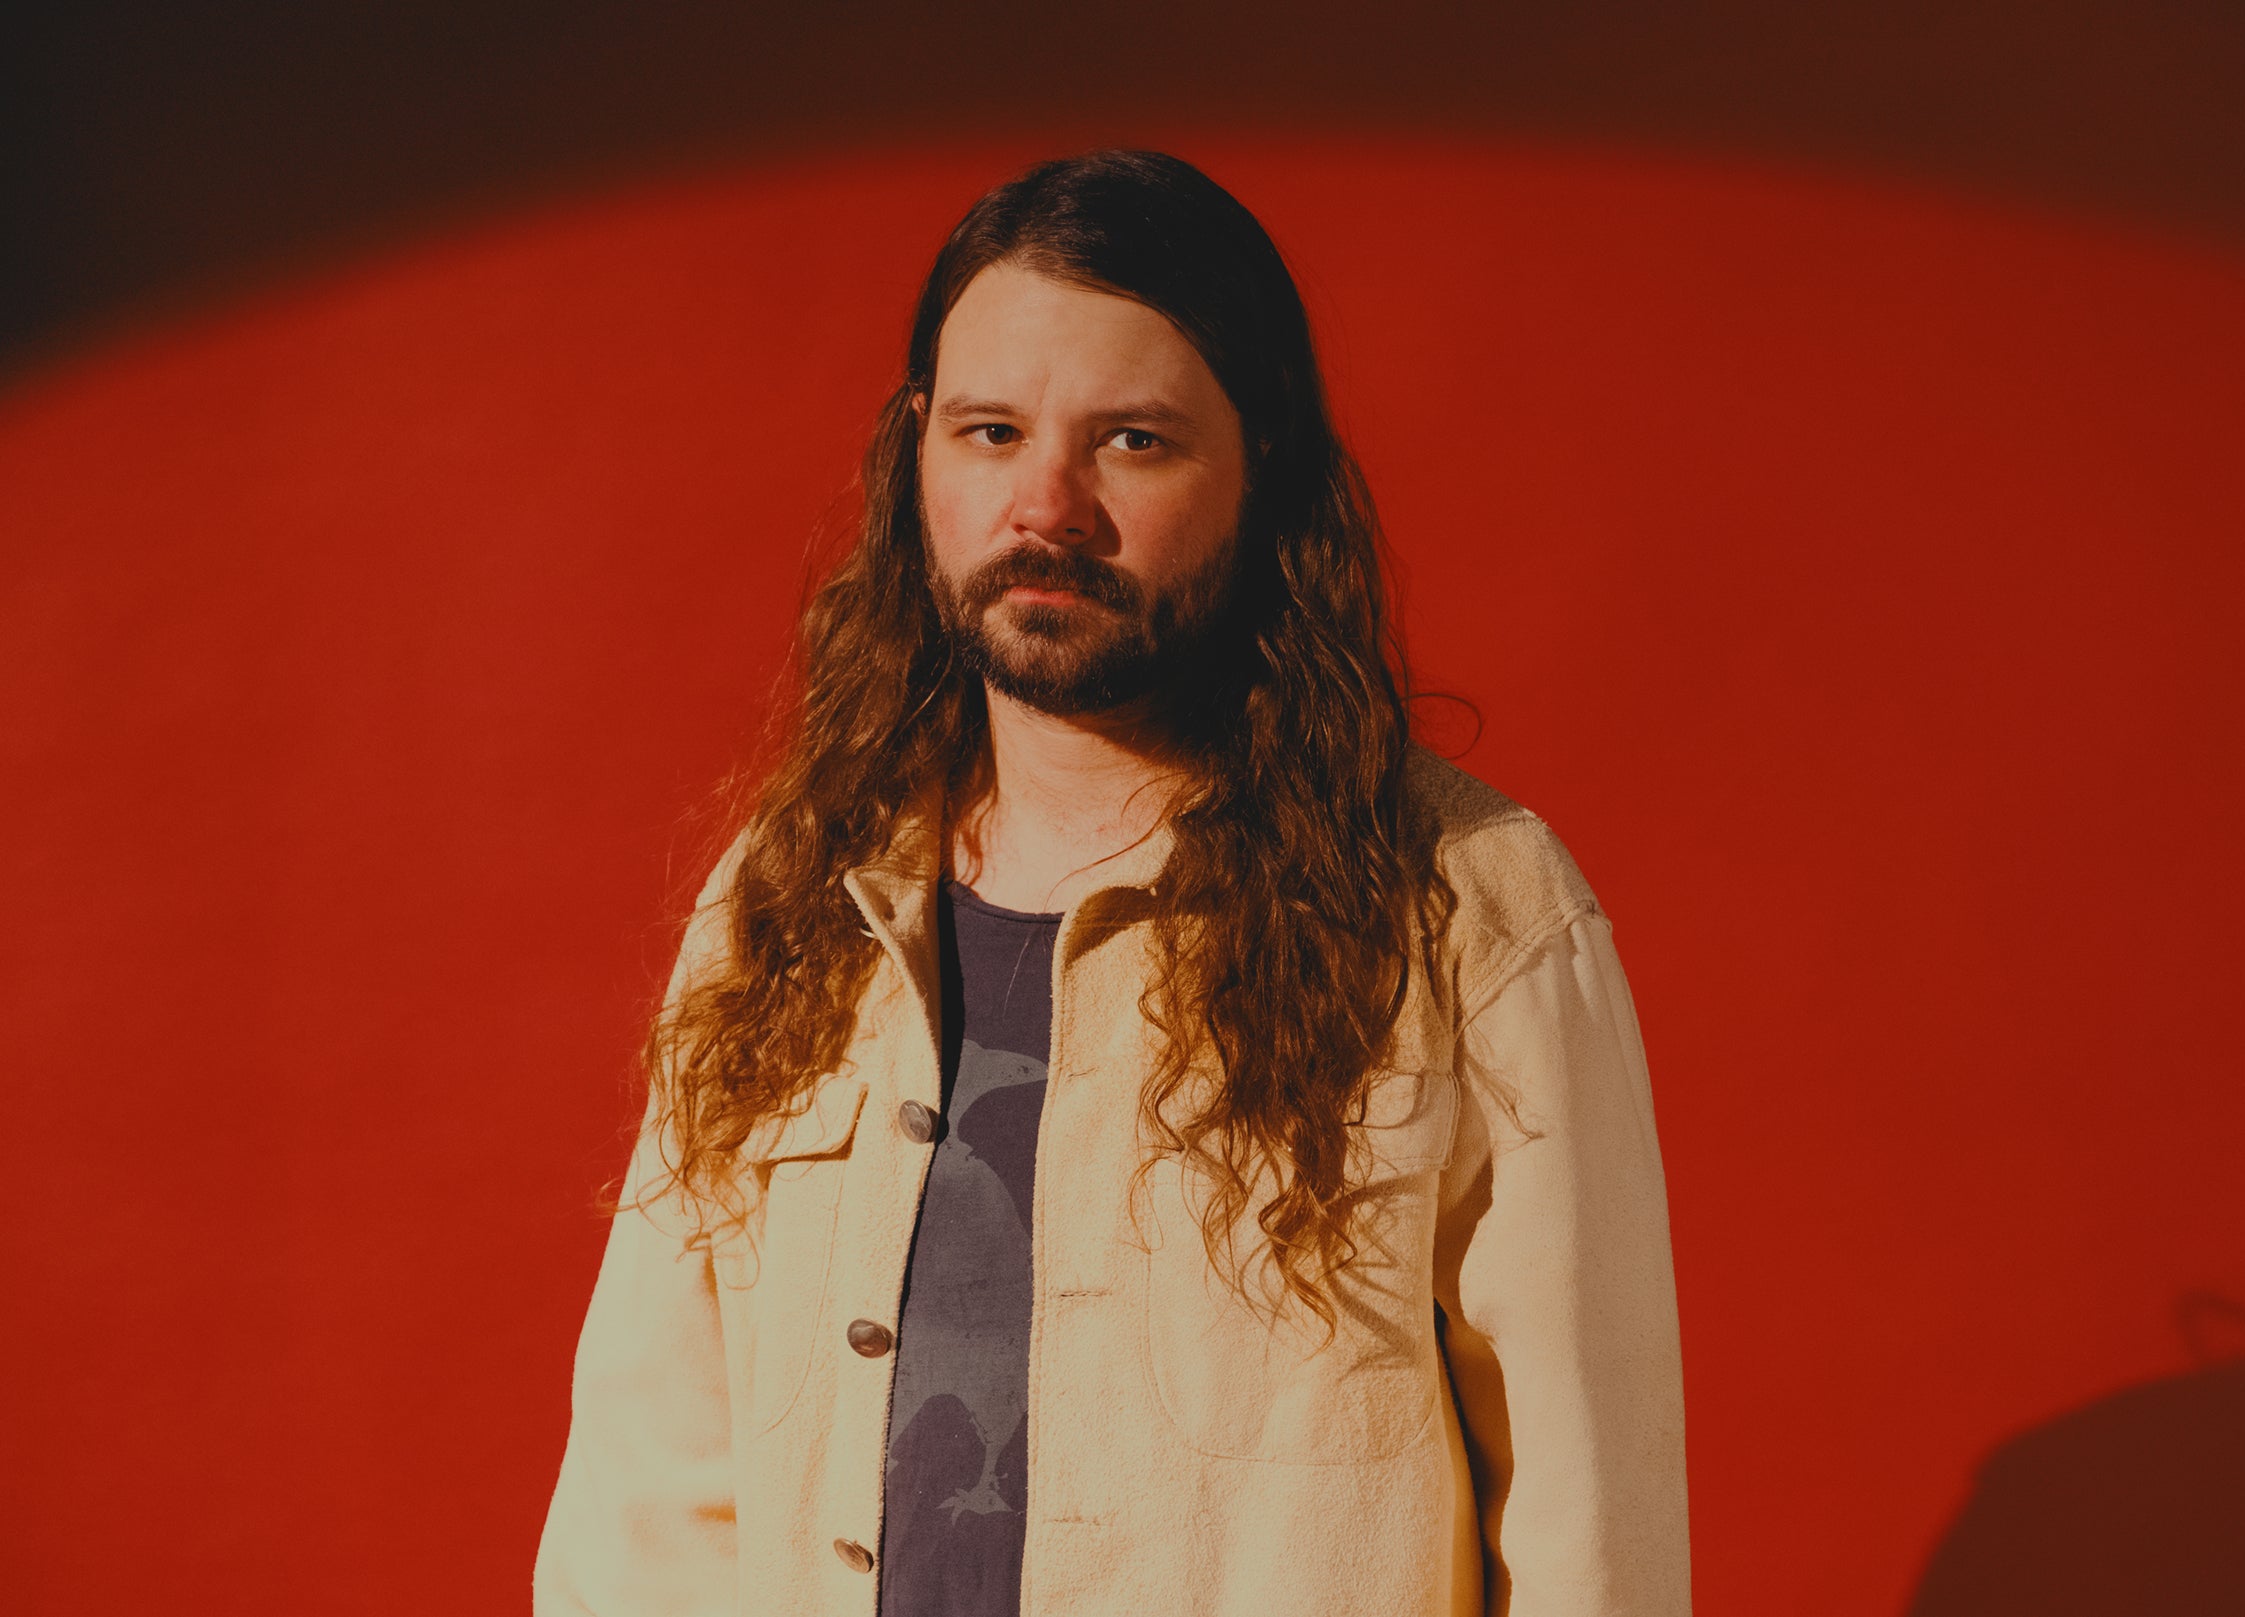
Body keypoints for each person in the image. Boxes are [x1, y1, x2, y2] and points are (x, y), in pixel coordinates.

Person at [534, 148, 1689, 1617]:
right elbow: (644, 1502)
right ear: (916, 452)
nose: (1048, 506)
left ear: (1260, 465)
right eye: (992, 432)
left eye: (1132, 441)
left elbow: (1591, 1538)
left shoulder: (1467, 911)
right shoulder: (789, 895)